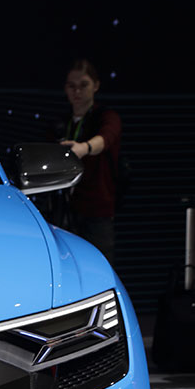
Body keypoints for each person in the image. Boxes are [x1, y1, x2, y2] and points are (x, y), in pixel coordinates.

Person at [57, 59, 122, 265]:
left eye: (83, 85)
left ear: (96, 85)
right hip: (63, 211)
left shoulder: (107, 117)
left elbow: (106, 139)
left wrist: (84, 148)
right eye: (72, 86)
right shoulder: (60, 122)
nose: (77, 91)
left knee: (98, 267)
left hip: (96, 213)